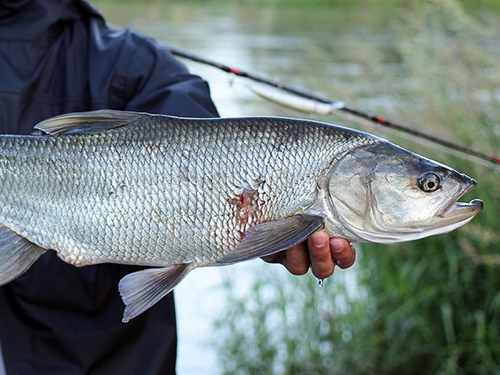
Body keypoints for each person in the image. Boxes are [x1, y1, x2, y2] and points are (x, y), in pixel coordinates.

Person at [0, 0, 355, 373]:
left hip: (87, 356)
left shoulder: (131, 64)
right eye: (425, 185)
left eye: (426, 185)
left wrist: (269, 229)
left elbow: (200, 143)